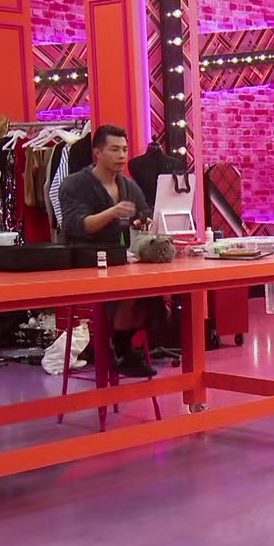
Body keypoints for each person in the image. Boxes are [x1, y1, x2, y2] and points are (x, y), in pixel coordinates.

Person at [60, 125, 158, 377]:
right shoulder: (74, 184)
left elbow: (143, 211)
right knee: (129, 289)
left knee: (154, 291)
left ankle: (122, 344)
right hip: (85, 259)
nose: (122, 155)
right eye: (114, 149)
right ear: (97, 153)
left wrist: (142, 220)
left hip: (120, 259)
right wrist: (112, 213)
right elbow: (78, 225)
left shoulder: (129, 186)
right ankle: (120, 348)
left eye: (124, 149)